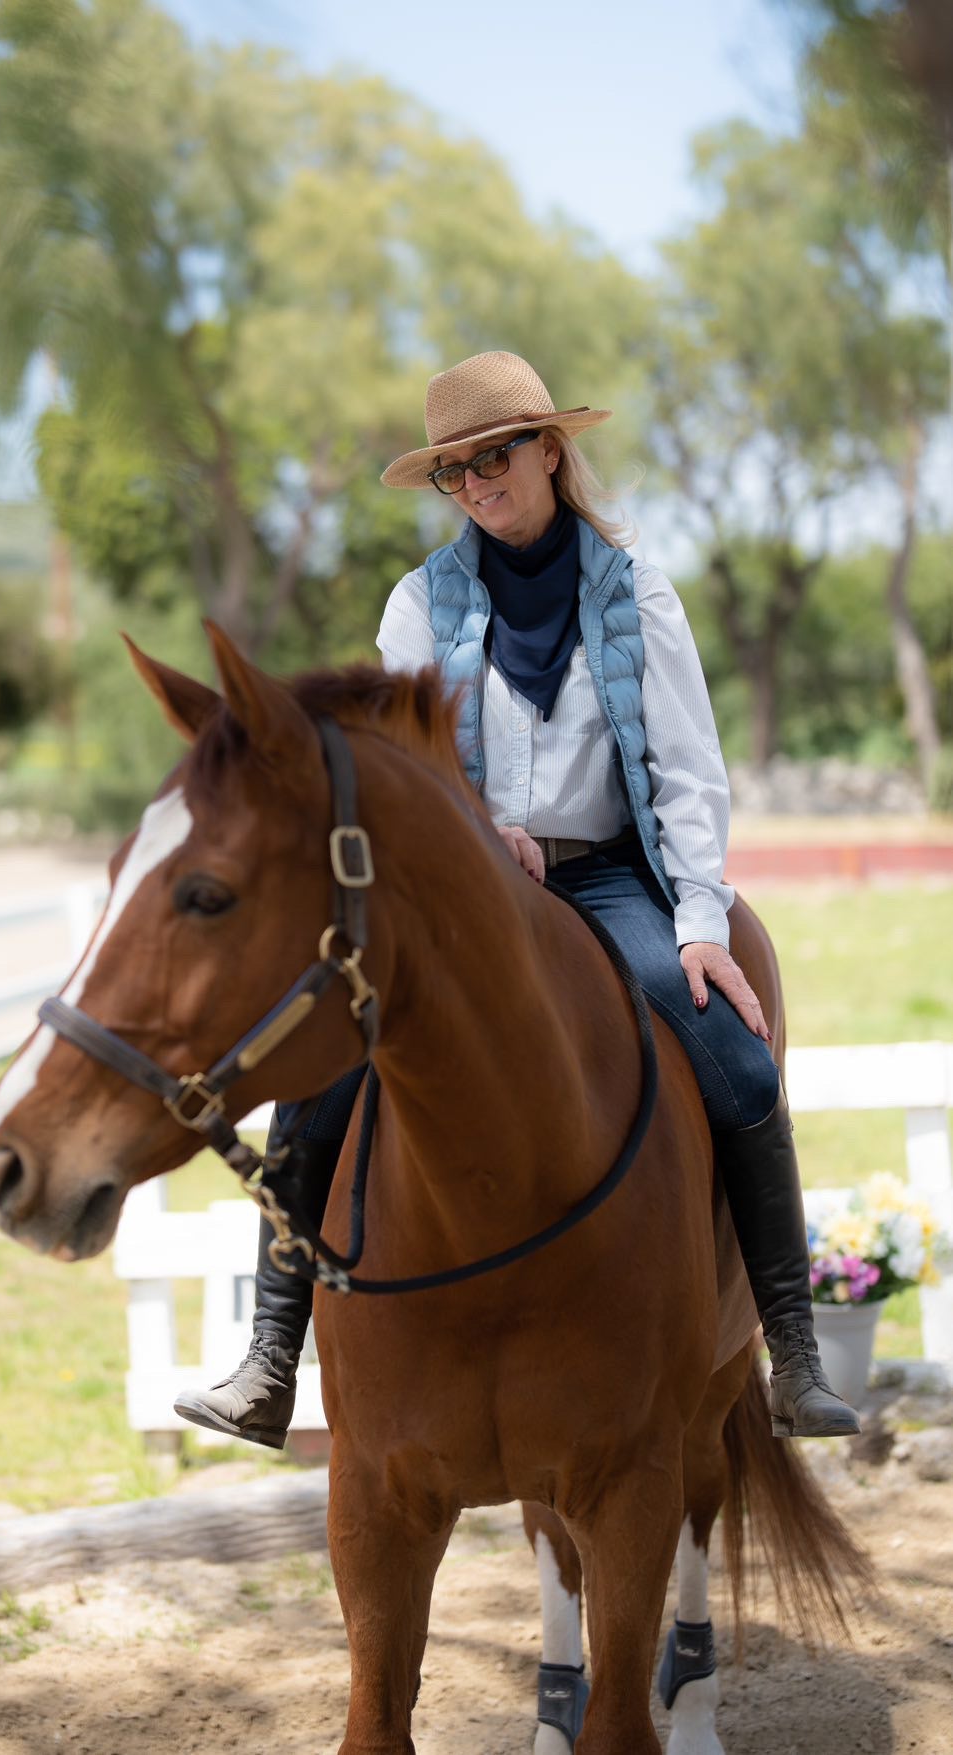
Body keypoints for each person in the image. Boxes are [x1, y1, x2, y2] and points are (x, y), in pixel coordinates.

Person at [174, 349, 860, 1450]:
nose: (477, 485)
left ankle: (791, 1352)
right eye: (453, 474)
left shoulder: (638, 592)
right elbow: (409, 766)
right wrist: (479, 828)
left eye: (493, 458)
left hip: (607, 871)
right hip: (471, 887)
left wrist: (696, 926)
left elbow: (688, 773)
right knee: (328, 1061)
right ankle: (270, 1357)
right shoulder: (419, 605)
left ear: (551, 448)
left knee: (735, 1057)